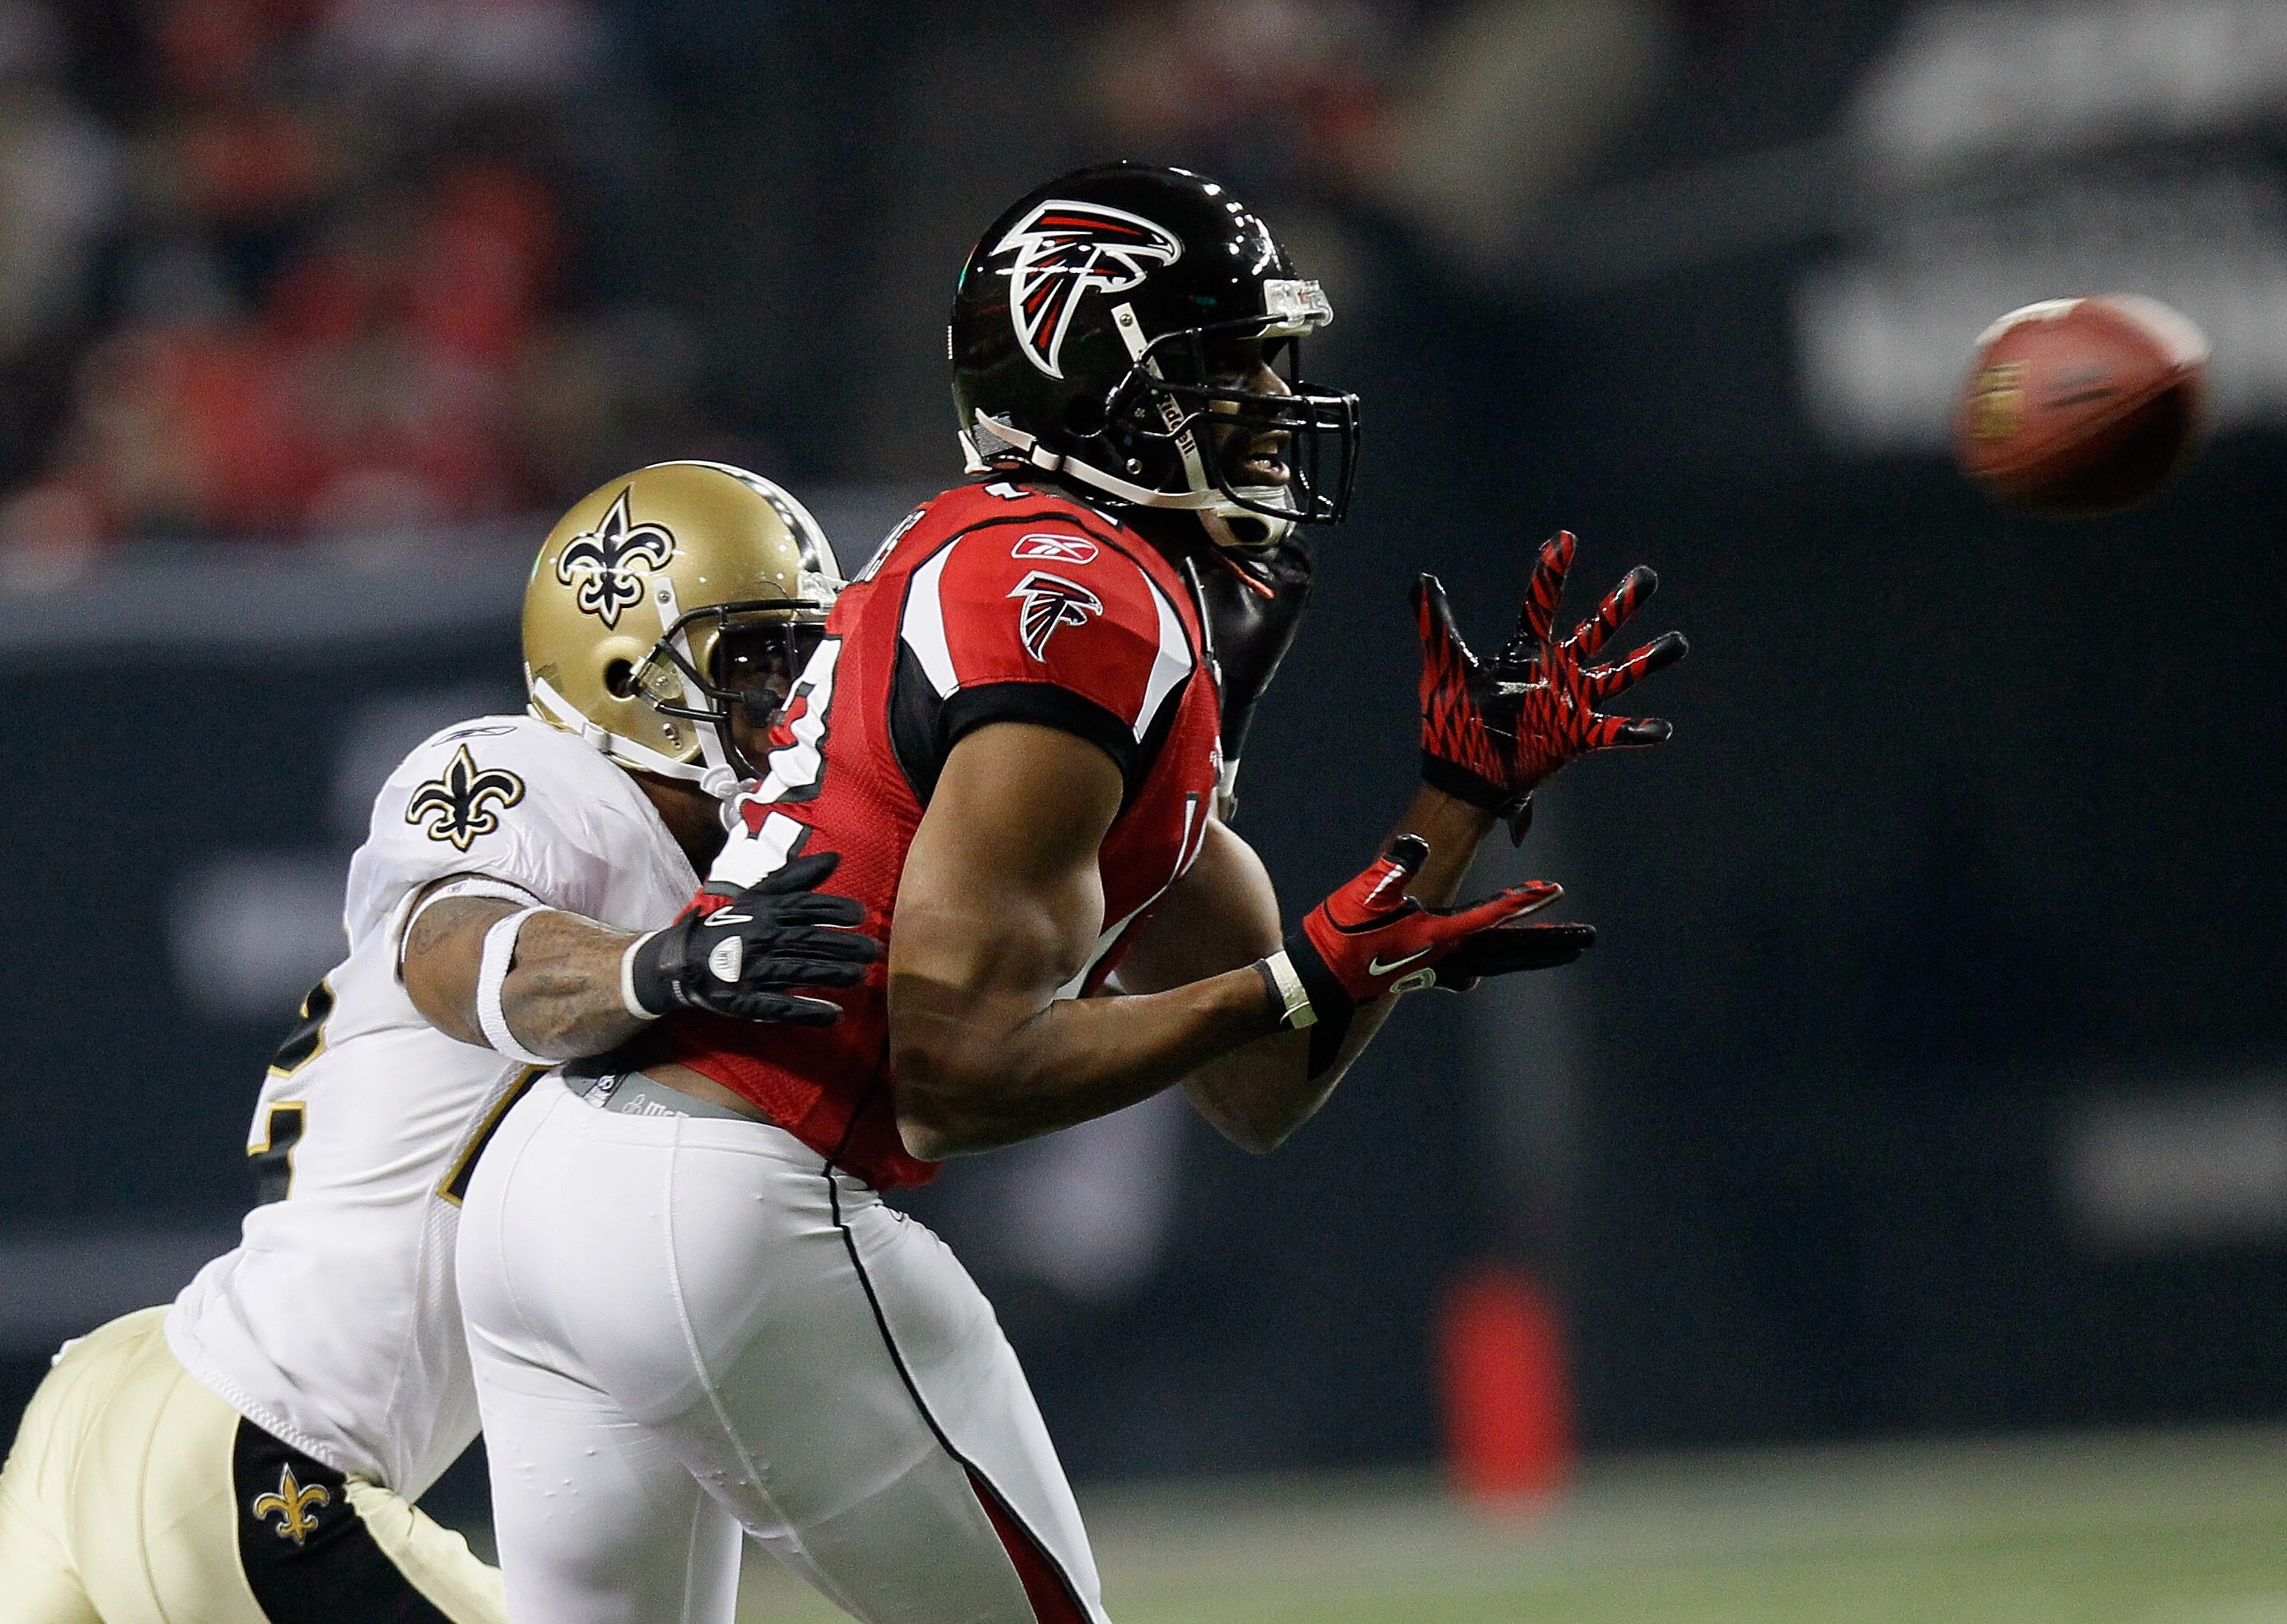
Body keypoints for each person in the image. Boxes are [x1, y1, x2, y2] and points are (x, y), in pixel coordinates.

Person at [457, 162, 1686, 1624]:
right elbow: (953, 1079)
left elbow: (1259, 1084)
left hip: (554, 1188)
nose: (1268, 407)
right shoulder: (1078, 603)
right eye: (1227, 370)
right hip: (724, 1183)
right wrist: (1306, 969)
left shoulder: (1037, 573)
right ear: (1095, 377)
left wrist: (1456, 807)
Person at [0, 461, 881, 1622]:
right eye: (756, 659)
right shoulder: (549, 783)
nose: (793, 699)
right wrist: (657, 967)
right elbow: (451, 948)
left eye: (808, 663)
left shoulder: (745, 884)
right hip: (252, 1452)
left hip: (133, 1406)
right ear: (627, 664)